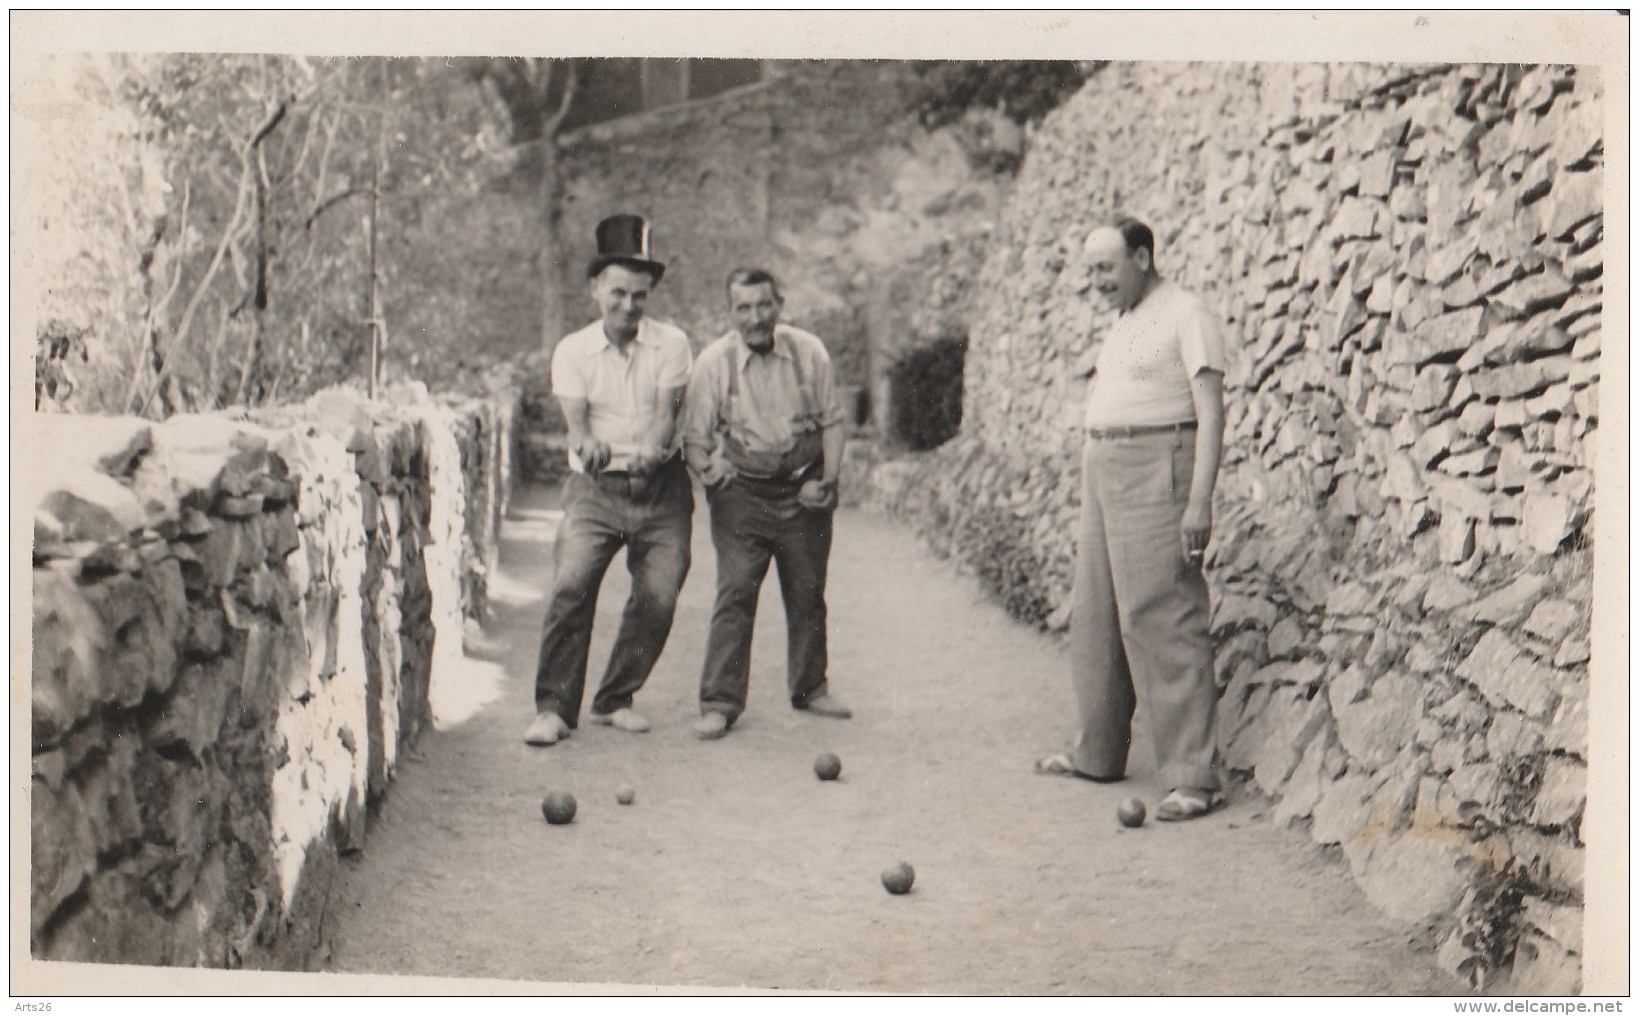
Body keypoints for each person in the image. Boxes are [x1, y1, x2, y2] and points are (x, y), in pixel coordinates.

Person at [1034, 216, 1227, 822]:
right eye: (1090, 270)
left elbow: (1211, 411)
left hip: (1157, 465)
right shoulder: (1123, 320)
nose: (1096, 282)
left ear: (1141, 257)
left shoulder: (1186, 312)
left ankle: (1192, 777)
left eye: (1105, 268)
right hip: (1104, 465)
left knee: (1162, 613)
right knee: (1095, 611)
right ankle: (1098, 751)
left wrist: (1199, 499)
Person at [524, 214, 694, 746]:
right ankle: (553, 708)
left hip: (662, 487)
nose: (628, 307)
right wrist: (589, 445)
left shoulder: (673, 345)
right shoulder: (572, 351)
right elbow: (577, 427)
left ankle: (615, 698)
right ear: (595, 288)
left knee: (660, 595)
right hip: (595, 491)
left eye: (639, 296)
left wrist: (655, 449)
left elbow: (668, 417)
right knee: (571, 585)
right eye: (617, 293)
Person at [680, 268, 852, 740]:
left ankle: (811, 688)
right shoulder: (714, 363)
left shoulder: (809, 352)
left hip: (803, 490)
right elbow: (694, 440)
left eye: (763, 305)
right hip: (743, 496)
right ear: (730, 312)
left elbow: (834, 422)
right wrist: (710, 471)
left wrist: (828, 480)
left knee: (807, 591)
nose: (755, 318)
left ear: (779, 304)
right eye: (743, 308)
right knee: (735, 590)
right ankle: (719, 702)